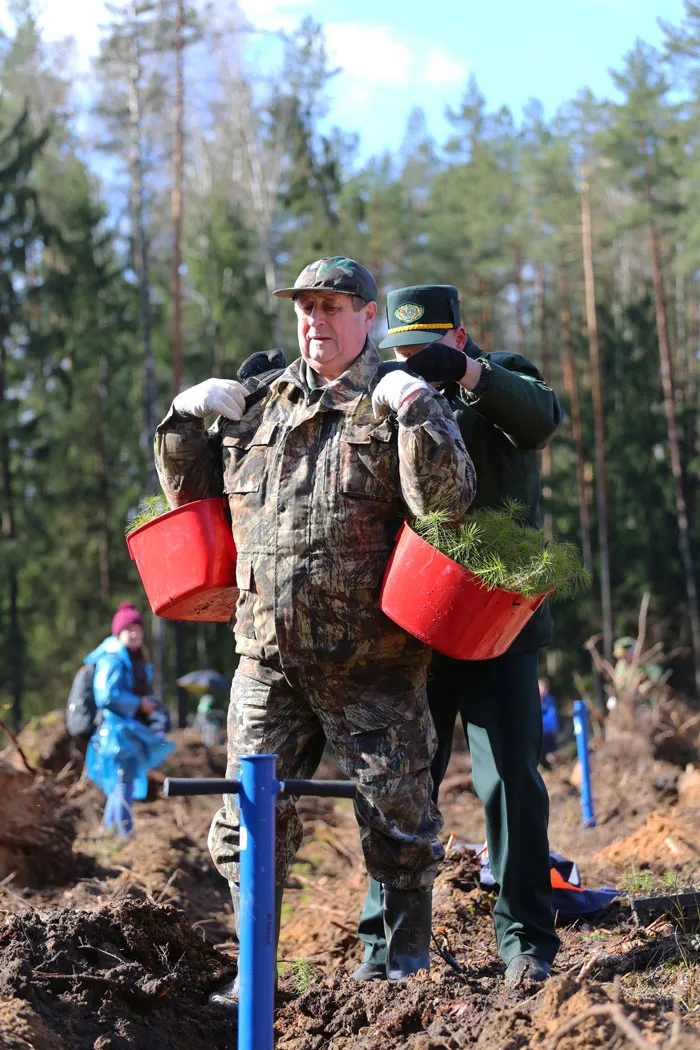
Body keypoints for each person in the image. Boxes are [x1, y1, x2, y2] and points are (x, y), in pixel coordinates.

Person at [154, 257, 476, 1001]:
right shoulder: (259, 404)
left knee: (400, 819)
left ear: (367, 317)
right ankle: (253, 973)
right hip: (267, 655)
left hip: (373, 660)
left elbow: (445, 508)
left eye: (333, 306)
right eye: (305, 307)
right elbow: (189, 497)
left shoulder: (388, 405)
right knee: (245, 828)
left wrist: (419, 407)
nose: (315, 320)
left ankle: (405, 966)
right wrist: (183, 417)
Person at [355, 284, 564, 986]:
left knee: (509, 779)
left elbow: (540, 420)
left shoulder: (505, 375)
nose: (413, 363)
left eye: (427, 350)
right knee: (402, 784)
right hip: (414, 618)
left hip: (495, 618)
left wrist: (470, 375)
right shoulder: (388, 392)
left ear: (461, 335)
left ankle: (526, 940)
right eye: (403, 352)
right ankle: (383, 946)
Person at [85, 603, 175, 836]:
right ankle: (125, 834)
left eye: (138, 628)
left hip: (127, 733)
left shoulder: (135, 659)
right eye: (129, 629)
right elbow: (106, 695)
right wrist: (139, 704)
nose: (134, 633)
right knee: (122, 783)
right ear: (119, 632)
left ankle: (110, 833)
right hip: (116, 735)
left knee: (121, 784)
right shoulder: (114, 659)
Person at [539, 677, 559, 766]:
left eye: (546, 688)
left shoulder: (549, 699)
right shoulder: (532, 700)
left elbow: (553, 714)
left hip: (548, 730)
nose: (544, 690)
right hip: (539, 731)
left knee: (552, 751)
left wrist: (554, 726)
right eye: (542, 688)